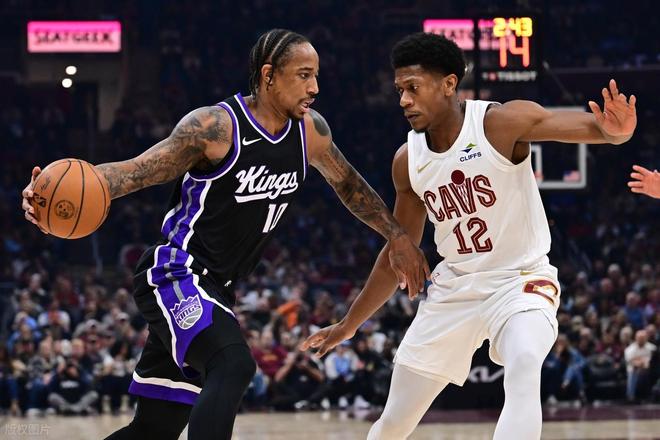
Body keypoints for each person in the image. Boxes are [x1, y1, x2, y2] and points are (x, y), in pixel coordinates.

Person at [21, 29, 428, 439]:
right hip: (177, 272)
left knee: (155, 428)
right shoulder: (215, 127)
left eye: (316, 76)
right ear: (269, 75)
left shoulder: (310, 133)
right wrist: (55, 194)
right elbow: (136, 172)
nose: (315, 88)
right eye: (304, 75)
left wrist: (396, 235)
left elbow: (349, 185)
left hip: (217, 288)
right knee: (233, 365)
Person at [302, 32, 637, 439]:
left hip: (519, 281)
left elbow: (595, 129)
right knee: (394, 422)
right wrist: (349, 324)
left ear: (448, 84)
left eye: (413, 88)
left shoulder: (499, 123)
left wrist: (618, 132)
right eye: (399, 90)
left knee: (525, 362)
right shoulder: (408, 161)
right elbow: (398, 253)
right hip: (455, 288)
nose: (404, 100)